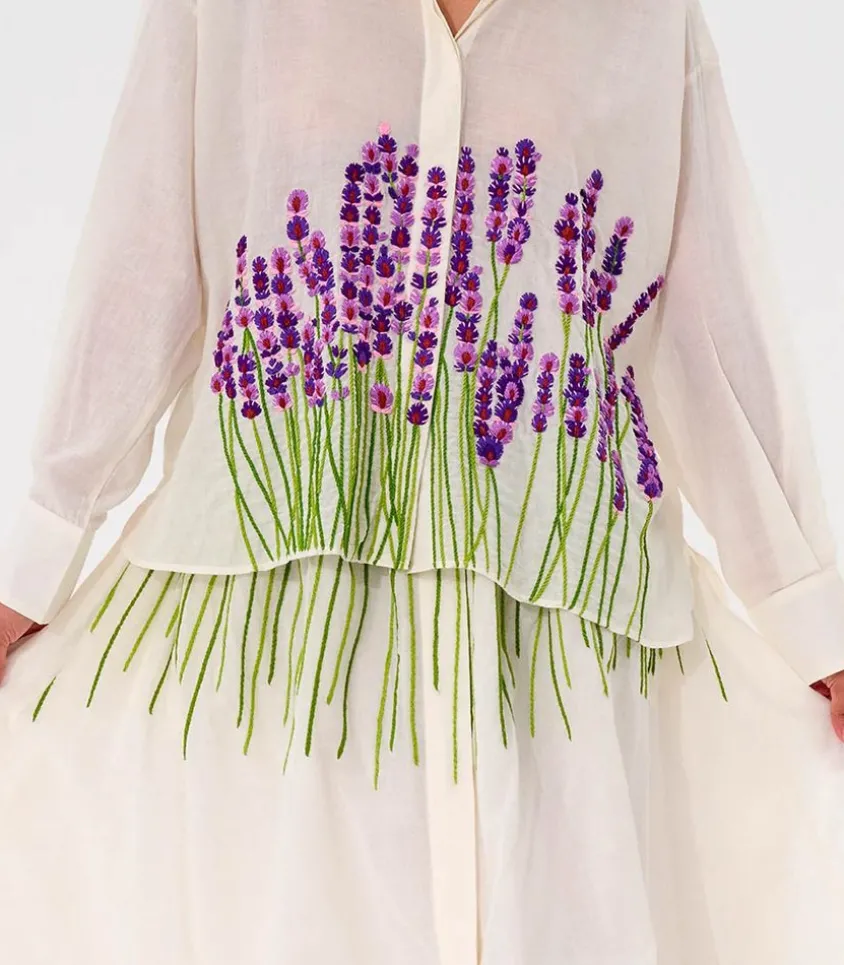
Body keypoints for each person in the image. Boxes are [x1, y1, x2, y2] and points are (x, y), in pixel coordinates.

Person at [1, 0, 843, 961]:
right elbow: (140, 273)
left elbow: (712, 330)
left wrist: (812, 616)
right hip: (285, 685)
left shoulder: (644, 19)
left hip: (557, 698)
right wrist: (33, 563)